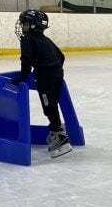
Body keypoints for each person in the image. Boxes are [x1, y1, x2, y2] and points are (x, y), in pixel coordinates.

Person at [11, 9, 71, 158]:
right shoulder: (45, 39)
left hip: (45, 78)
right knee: (52, 104)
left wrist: (23, 76)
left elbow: (26, 59)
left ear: (33, 25)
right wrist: (54, 69)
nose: (22, 26)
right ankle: (56, 129)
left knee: (48, 106)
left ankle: (59, 134)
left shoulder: (27, 39)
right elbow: (61, 56)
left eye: (25, 23)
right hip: (58, 75)